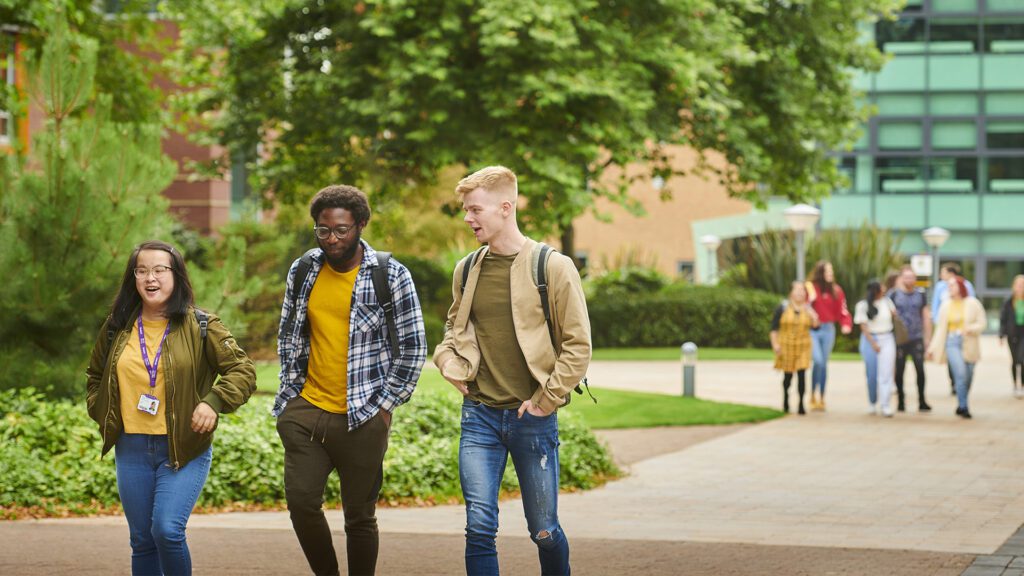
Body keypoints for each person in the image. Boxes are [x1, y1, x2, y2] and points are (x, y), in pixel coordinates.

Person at [434, 166, 591, 576]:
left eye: (475, 210)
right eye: (465, 210)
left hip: (532, 419)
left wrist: (545, 402)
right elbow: (453, 327)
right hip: (480, 416)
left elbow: (578, 346)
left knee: (544, 530)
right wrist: (447, 361)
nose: (467, 218)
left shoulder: (552, 267)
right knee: (479, 528)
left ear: (506, 208)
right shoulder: (467, 269)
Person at [273, 185, 428, 576]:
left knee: (359, 516)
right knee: (301, 504)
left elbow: (413, 347)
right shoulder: (304, 270)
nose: (332, 239)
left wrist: (384, 407)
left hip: (363, 415)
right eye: (323, 230)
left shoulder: (390, 274)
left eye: (341, 230)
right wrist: (290, 397)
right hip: (307, 410)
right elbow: (289, 334)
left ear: (360, 225)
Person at [85, 240, 256, 576]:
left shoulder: (202, 325)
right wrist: (99, 408)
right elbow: (94, 375)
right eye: (142, 271)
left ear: (176, 275)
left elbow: (243, 371)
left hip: (183, 447)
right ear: (133, 278)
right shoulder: (117, 326)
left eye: (160, 270)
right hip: (131, 447)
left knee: (166, 530)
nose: (151, 278)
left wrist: (213, 402)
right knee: (142, 541)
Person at [928, 276, 986, 419]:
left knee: (969, 375)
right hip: (952, 342)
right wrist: (932, 348)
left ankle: (962, 400)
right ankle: (963, 406)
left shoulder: (973, 303)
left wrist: (971, 328)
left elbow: (982, 323)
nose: (949, 288)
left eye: (952, 285)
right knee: (960, 374)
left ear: (960, 287)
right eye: (949, 286)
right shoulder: (946, 305)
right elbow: (940, 330)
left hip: (969, 341)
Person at [806, 260, 853, 411]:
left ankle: (821, 397)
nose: (831, 273)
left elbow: (843, 310)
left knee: (823, 364)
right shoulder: (811, 288)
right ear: (820, 273)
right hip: (813, 330)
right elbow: (805, 304)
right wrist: (811, 313)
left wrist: (846, 324)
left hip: (828, 330)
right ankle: (812, 394)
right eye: (827, 271)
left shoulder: (836, 290)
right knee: (818, 361)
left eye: (831, 271)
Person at [770, 281, 820, 414]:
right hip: (786, 345)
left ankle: (801, 404)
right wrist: (775, 344)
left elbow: (816, 327)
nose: (800, 293)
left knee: (802, 374)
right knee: (788, 376)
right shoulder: (782, 307)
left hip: (803, 346)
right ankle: (786, 398)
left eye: (802, 290)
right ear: (791, 292)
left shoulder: (808, 309)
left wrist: (814, 317)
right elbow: (774, 328)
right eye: (797, 290)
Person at [888, 265, 932, 412]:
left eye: (912, 277)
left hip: (916, 337)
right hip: (900, 338)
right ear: (901, 278)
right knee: (900, 370)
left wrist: (927, 338)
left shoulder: (921, 294)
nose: (909, 280)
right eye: (906, 277)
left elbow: (926, 316)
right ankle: (901, 401)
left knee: (920, 369)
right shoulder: (893, 295)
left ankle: (922, 400)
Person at [931, 263, 976, 395]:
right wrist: (938, 322)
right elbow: (935, 305)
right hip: (949, 331)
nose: (941, 275)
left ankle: (963, 385)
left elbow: (972, 304)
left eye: (943, 272)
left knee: (968, 365)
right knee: (953, 362)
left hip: (966, 333)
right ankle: (955, 383)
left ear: (951, 273)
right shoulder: (940, 287)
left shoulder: (966, 285)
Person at [854, 280, 898, 417]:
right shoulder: (862, 306)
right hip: (871, 339)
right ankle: (872, 401)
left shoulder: (887, 302)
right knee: (872, 373)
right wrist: (873, 343)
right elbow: (863, 326)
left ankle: (885, 404)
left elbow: (894, 316)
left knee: (886, 373)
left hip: (887, 338)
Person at [999, 274, 1024, 398]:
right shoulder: (1009, 301)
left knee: (1022, 359)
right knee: (1014, 361)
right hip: (1012, 333)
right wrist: (1001, 335)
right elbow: (1003, 319)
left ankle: (1022, 385)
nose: (1021, 287)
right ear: (1014, 286)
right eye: (1019, 285)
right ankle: (1015, 384)